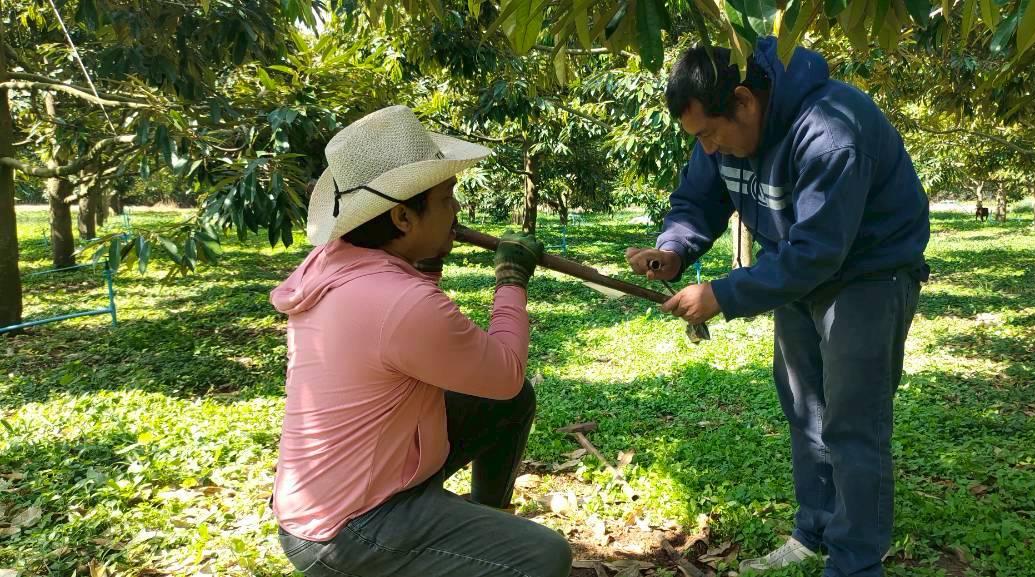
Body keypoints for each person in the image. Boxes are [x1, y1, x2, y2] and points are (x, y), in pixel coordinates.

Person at [625, 39, 930, 577]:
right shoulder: (718, 134)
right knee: (804, 408)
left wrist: (721, 294)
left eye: (712, 134)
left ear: (744, 101)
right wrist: (672, 248)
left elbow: (819, 250)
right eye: (699, 139)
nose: (710, 148)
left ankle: (855, 563)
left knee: (852, 422)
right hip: (797, 275)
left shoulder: (831, 131)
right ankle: (814, 532)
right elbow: (697, 200)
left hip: (868, 275)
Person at [270, 105, 571, 577]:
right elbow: (506, 373)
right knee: (543, 558)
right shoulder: (398, 303)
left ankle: (478, 530)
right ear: (403, 217)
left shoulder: (334, 263)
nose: (456, 211)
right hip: (347, 530)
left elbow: (405, 332)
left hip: (332, 496)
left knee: (504, 405)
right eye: (447, 197)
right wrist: (512, 278)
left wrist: (429, 259)